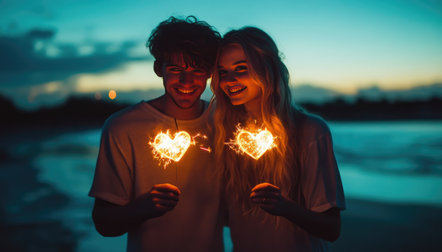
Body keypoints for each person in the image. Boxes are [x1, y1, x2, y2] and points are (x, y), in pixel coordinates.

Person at [89, 16, 223, 251]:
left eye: (197, 70)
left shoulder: (223, 123)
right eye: (175, 69)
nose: (186, 80)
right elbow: (103, 224)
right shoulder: (122, 127)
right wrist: (142, 208)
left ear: (210, 72)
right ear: (157, 68)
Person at [211, 27, 346, 251]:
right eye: (223, 72)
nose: (230, 80)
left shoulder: (310, 131)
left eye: (241, 68)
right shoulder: (223, 135)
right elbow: (229, 217)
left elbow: (331, 229)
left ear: (268, 69)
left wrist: (284, 207)